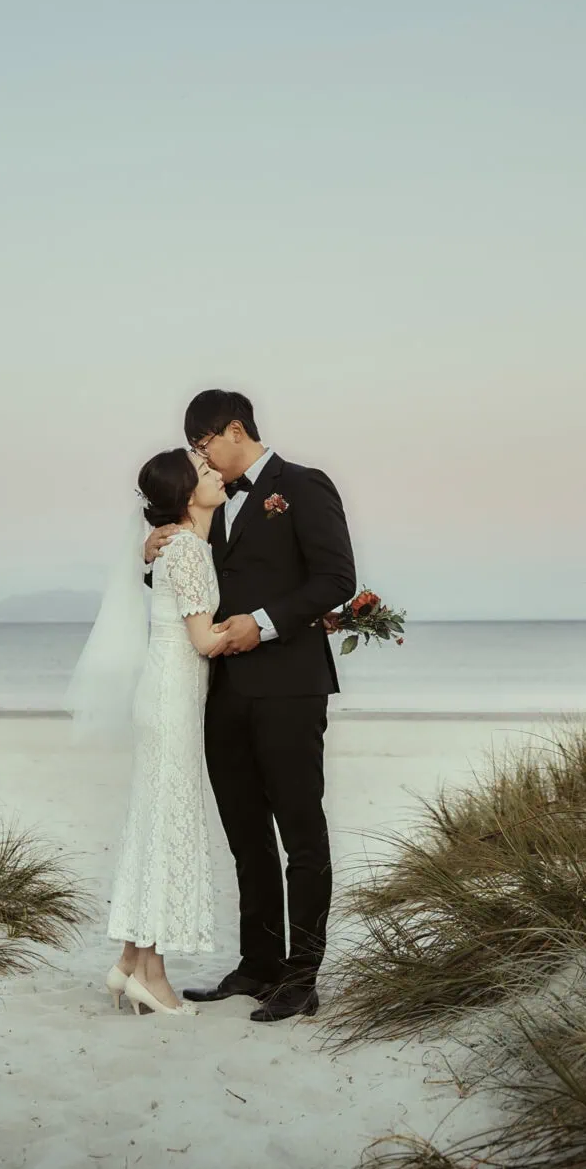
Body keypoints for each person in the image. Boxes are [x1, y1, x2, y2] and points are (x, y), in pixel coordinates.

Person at [145, 389, 356, 1023]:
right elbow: (187, 587)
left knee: (300, 831)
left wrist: (261, 624)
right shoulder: (207, 507)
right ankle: (258, 963)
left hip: (289, 688)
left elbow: (335, 579)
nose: (199, 459)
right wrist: (152, 553)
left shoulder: (304, 485)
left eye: (203, 444)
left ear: (235, 429)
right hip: (221, 693)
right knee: (245, 835)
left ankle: (302, 974)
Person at [93, 448, 232, 1016]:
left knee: (153, 821)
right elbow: (203, 641)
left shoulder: (168, 546)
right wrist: (268, 628)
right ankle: (153, 976)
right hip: (174, 699)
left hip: (163, 696)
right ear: (184, 493)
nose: (217, 475)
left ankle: (129, 962)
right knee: (166, 823)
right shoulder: (189, 551)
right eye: (204, 473)